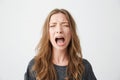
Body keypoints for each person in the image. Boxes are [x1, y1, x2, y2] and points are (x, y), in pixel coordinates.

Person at [24, 8, 97, 80]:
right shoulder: (35, 65)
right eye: (53, 25)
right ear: (47, 33)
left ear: (72, 33)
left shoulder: (84, 67)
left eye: (65, 25)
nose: (59, 30)